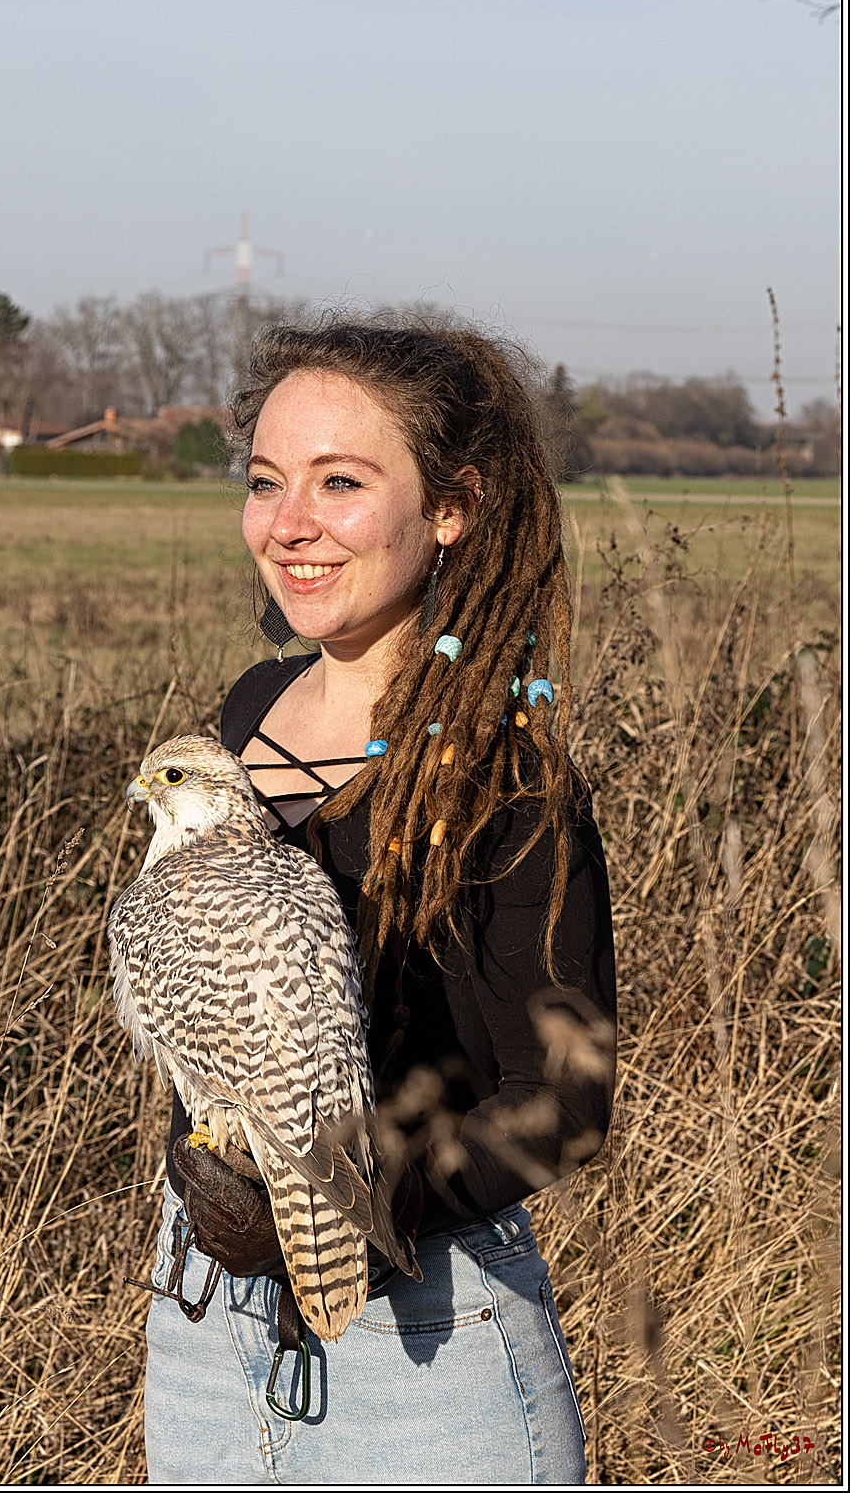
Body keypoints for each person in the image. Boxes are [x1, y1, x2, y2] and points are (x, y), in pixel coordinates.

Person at [143, 315, 617, 1485]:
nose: (287, 523)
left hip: (426, 1343)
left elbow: (566, 1096)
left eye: (340, 482)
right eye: (265, 481)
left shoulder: (507, 774)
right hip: (204, 1328)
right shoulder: (247, 713)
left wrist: (354, 1205)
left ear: (450, 507)